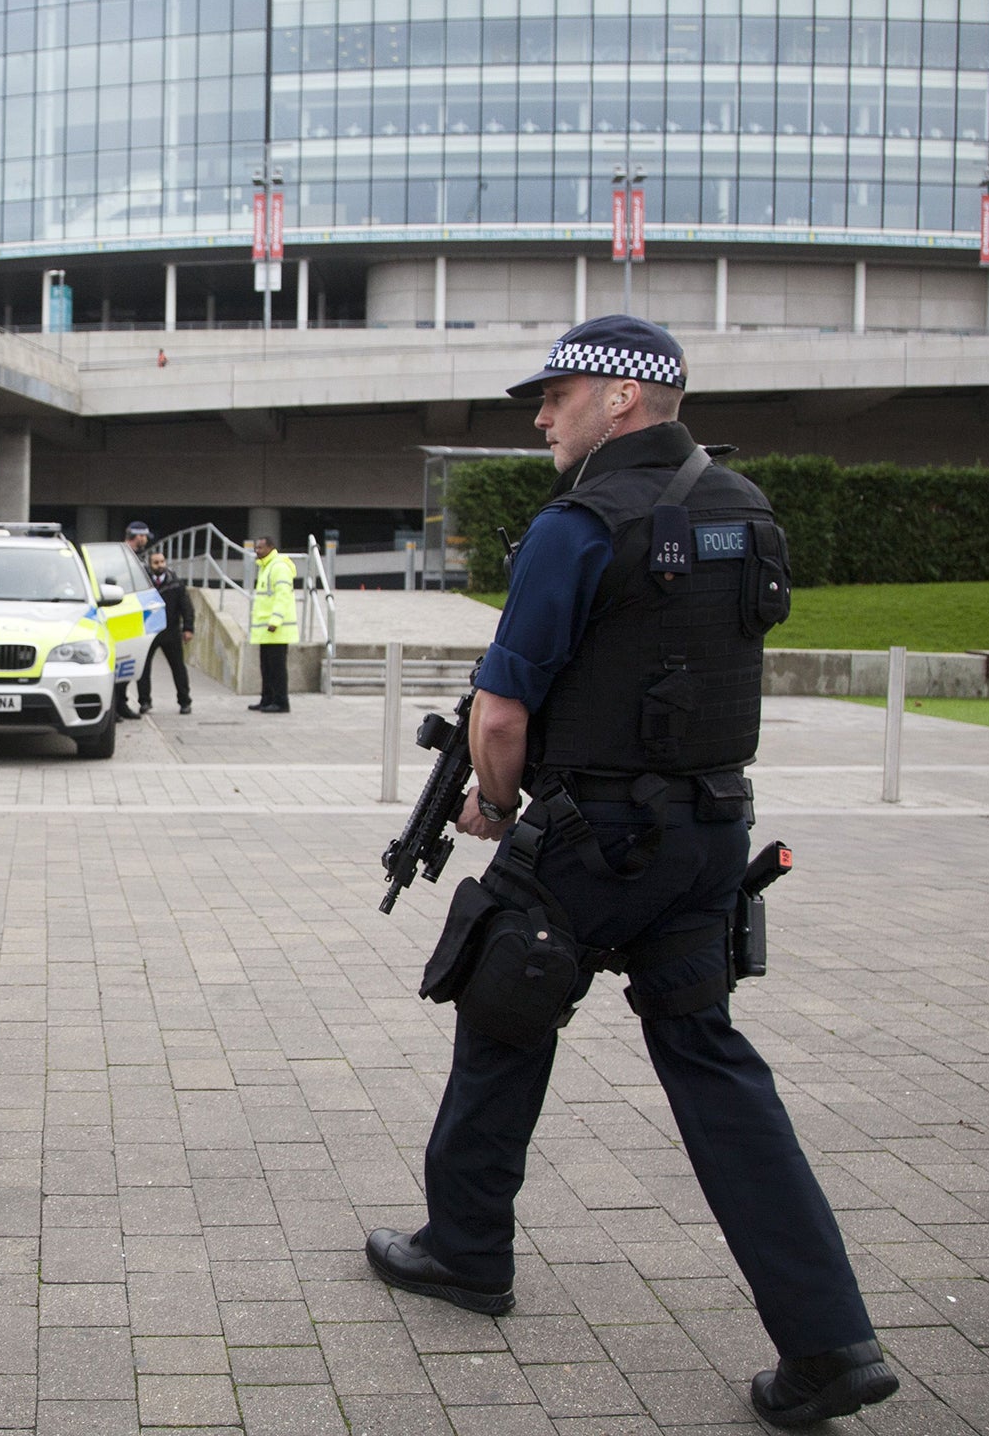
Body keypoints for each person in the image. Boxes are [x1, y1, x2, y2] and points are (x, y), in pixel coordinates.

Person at [363, 316, 898, 1429]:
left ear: (621, 398)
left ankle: (464, 1250)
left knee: (500, 1013)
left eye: (555, 395)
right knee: (709, 1061)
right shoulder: (742, 509)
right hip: (708, 835)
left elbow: (501, 713)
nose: (539, 415)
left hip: (588, 840)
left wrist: (495, 803)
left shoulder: (576, 522)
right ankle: (828, 1342)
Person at [137, 552, 193, 715]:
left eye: (162, 562)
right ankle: (144, 701)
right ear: (150, 565)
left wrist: (188, 628)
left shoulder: (175, 583)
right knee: (144, 669)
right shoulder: (143, 584)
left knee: (178, 668)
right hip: (149, 631)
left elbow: (186, 607)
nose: (160, 565)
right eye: (156, 562)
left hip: (171, 631)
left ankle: (184, 701)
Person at [247, 535, 297, 713]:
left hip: (276, 629)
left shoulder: (278, 567)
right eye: (256, 548)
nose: (257, 551)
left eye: (260, 548)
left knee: (277, 668)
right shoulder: (266, 567)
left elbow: (282, 596)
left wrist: (275, 620)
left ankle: (281, 701)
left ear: (270, 548)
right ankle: (267, 698)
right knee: (266, 667)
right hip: (266, 630)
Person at [113, 520, 155, 720]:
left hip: (133, 617)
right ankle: (114, 707)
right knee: (117, 664)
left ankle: (121, 704)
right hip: (119, 615)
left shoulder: (135, 558)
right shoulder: (121, 556)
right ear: (137, 536)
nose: (145, 540)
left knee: (127, 664)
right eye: (144, 536)